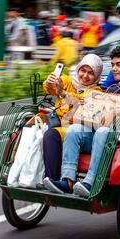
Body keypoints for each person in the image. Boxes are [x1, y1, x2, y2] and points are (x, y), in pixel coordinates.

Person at [43, 45, 120, 197]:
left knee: (102, 131)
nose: (114, 69)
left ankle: (90, 182)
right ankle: (67, 180)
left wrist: (117, 112)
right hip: (99, 135)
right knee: (73, 130)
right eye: (112, 65)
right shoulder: (110, 89)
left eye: (119, 65)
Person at [42, 54, 103, 182]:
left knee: (51, 135)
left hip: (74, 127)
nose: (85, 76)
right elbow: (51, 88)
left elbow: (80, 101)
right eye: (83, 71)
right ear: (78, 69)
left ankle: (52, 179)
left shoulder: (96, 91)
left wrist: (63, 93)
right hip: (56, 121)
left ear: (96, 76)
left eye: (91, 73)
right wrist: (49, 82)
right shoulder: (68, 81)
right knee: (28, 127)